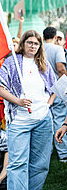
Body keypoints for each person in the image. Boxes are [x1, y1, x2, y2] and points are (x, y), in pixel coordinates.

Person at [0, 30, 56, 189]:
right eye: (30, 42)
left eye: (36, 43)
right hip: (19, 121)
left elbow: (54, 88)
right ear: (22, 43)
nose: (33, 46)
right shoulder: (12, 62)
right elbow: (0, 89)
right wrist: (18, 101)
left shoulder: (43, 63)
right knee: (17, 164)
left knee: (41, 164)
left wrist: (48, 105)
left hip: (42, 120)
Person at [43, 27, 67, 162]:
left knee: (45, 120)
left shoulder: (40, 48)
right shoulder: (57, 49)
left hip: (42, 89)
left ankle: (47, 152)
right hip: (57, 89)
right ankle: (63, 153)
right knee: (60, 119)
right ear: (56, 37)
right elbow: (61, 69)